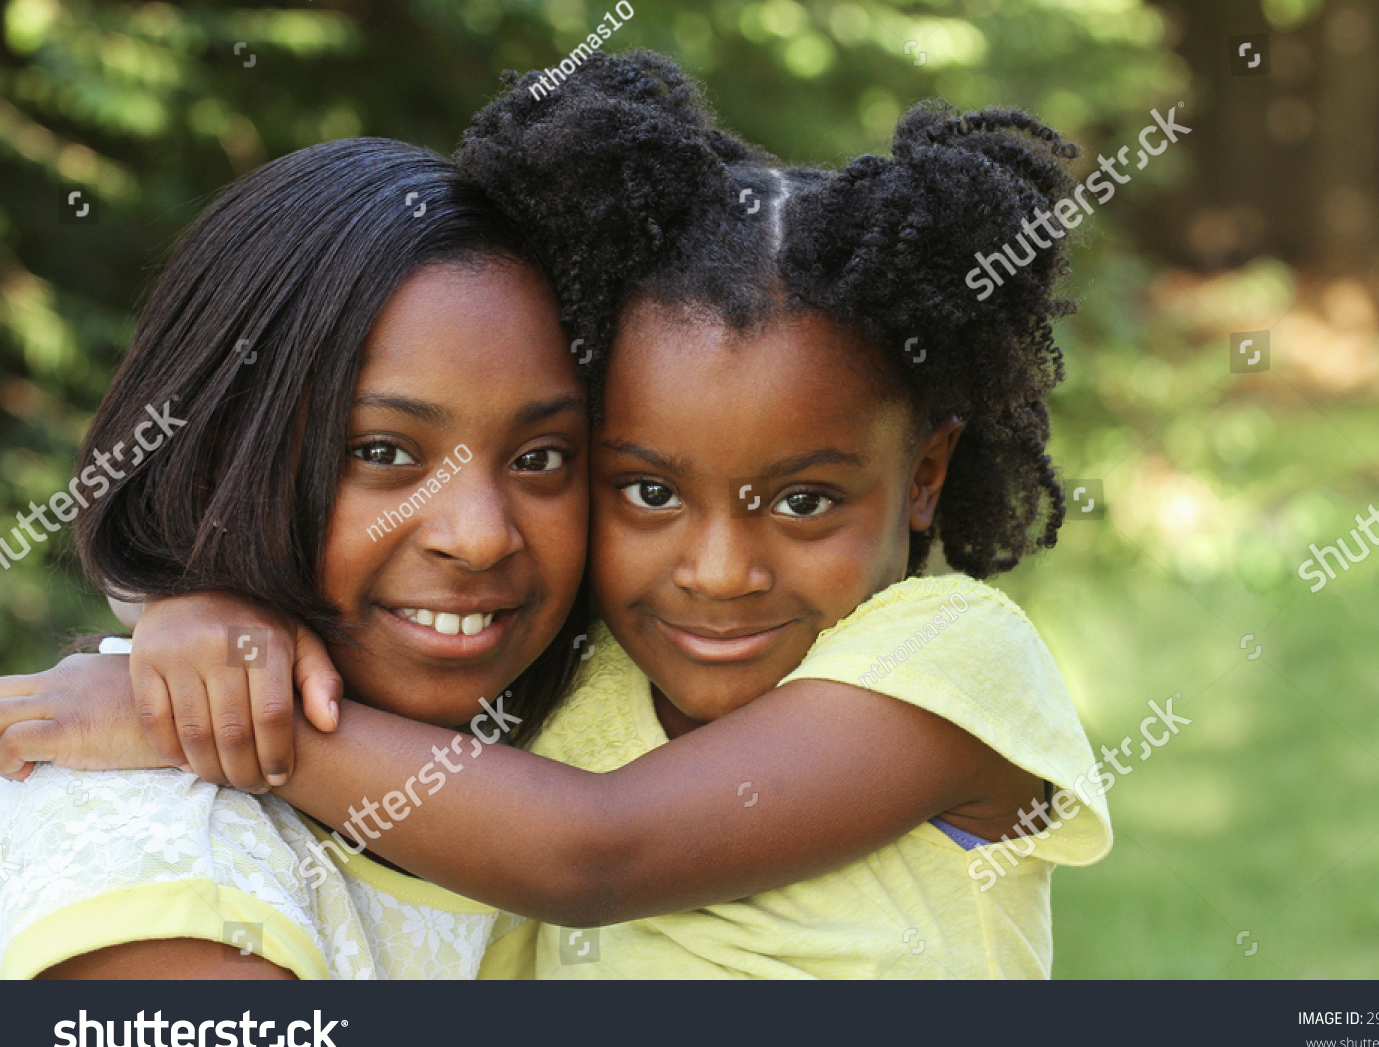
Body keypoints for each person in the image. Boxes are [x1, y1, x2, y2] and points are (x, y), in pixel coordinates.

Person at [2, 51, 1112, 978]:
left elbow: (594, 854)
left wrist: (190, 719)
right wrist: (192, 616)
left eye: (806, 499)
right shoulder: (596, 672)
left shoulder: (945, 665)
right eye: (646, 489)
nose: (718, 570)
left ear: (925, 475)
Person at [0, 137, 593, 979]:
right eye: (383, 452)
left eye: (541, 457)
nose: (480, 535)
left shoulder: (607, 721)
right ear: (212, 459)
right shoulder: (177, 859)